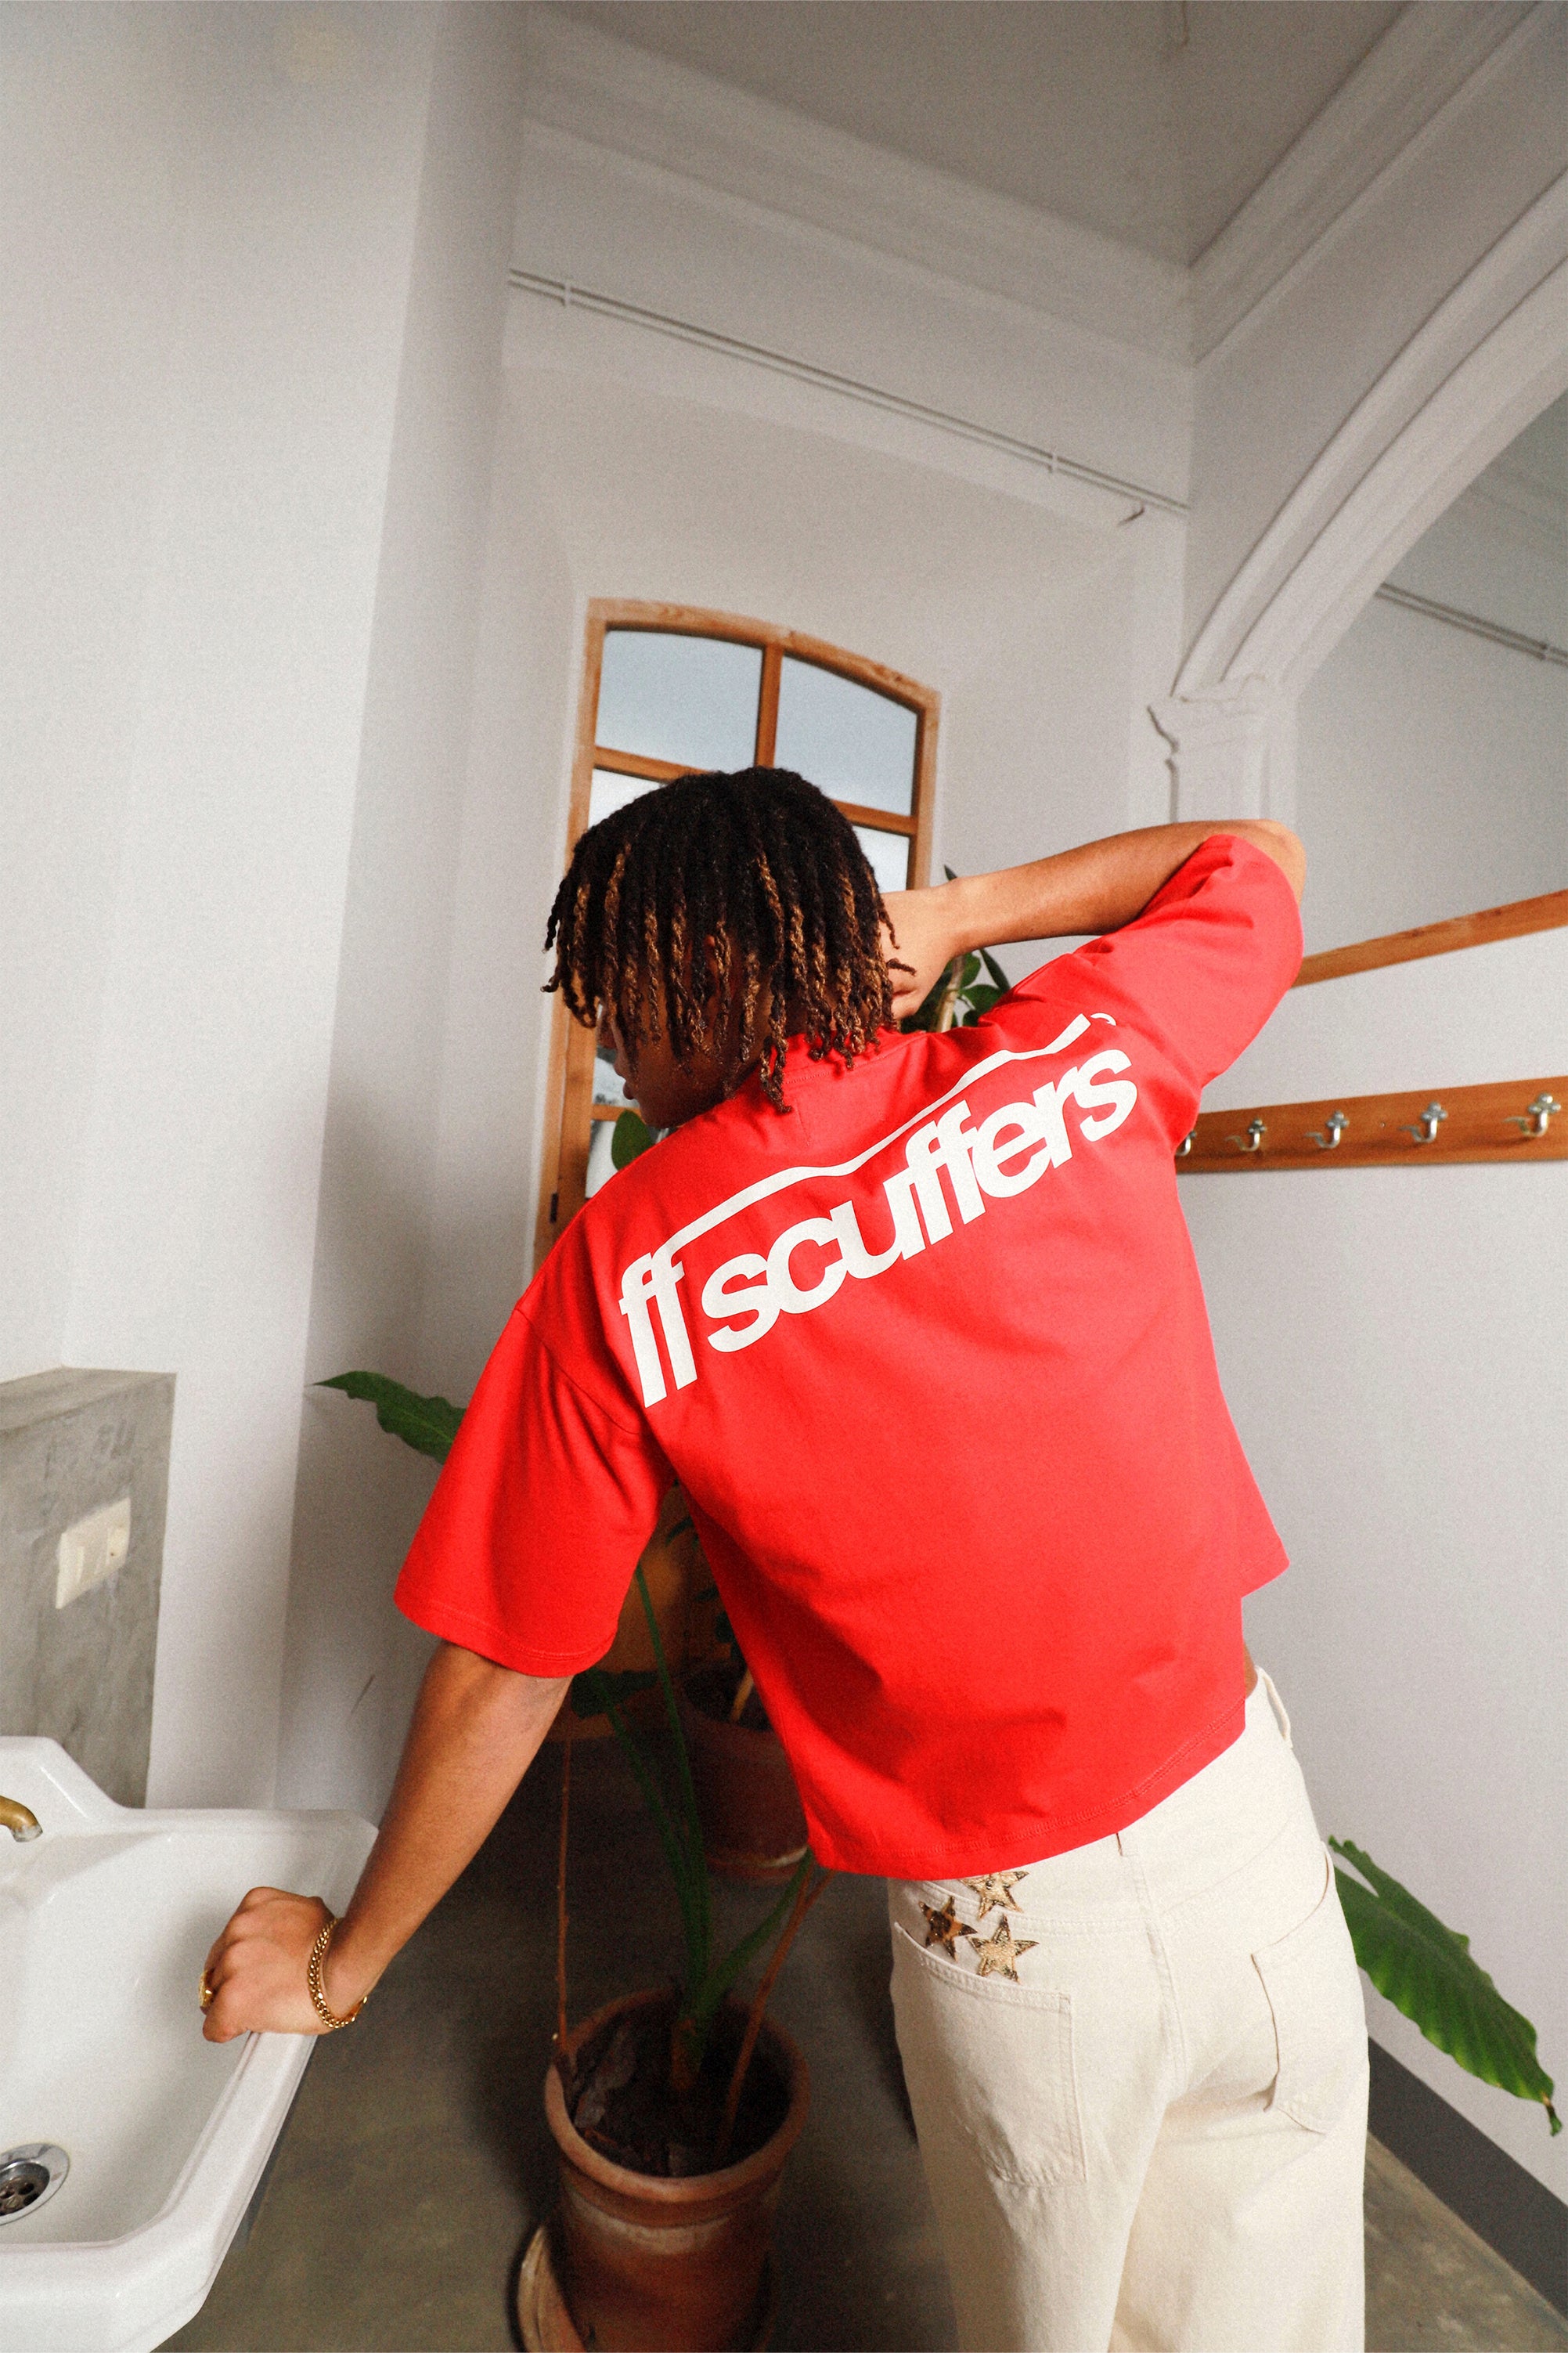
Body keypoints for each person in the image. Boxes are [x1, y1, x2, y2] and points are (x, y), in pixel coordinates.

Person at [201, 770, 1368, 2352]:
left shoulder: (628, 1267)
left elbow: (505, 1669)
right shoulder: (1070, 1055)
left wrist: (340, 1969)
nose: (606, 1041)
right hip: (1255, 1850)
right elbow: (1256, 857)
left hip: (1026, 1941)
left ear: (703, 963)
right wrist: (958, 914)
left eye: (617, 993)